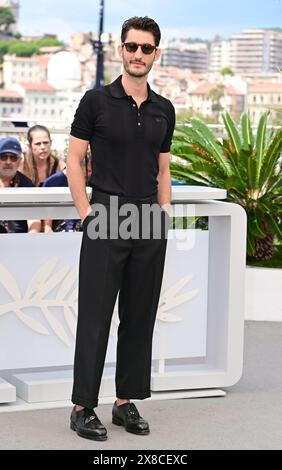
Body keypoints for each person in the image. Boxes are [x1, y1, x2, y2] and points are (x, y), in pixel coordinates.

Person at [67, 16, 175, 441]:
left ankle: (125, 402)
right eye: (131, 46)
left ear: (155, 54)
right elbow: (74, 159)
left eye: (146, 48)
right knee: (95, 315)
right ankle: (82, 407)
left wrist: (164, 210)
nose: (137, 54)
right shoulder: (95, 101)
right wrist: (84, 210)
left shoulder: (164, 108)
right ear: (121, 49)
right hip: (105, 214)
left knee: (139, 315)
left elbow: (164, 167)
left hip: (149, 217)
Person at [0, 137, 41, 233]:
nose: (8, 162)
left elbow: (34, 220)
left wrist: (31, 237)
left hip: (18, 240)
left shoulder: (27, 185)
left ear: (19, 160)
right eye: (3, 157)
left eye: (13, 157)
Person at [43, 153, 92, 232]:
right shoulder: (53, 182)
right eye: (89, 170)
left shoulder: (93, 179)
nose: (90, 174)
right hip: (62, 229)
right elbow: (47, 221)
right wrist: (48, 227)